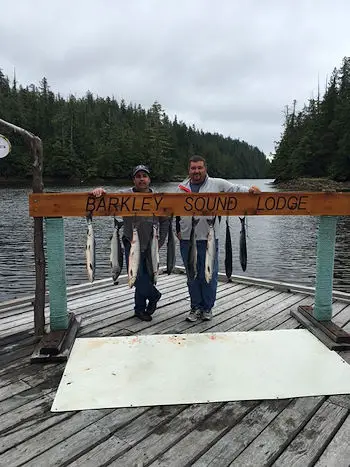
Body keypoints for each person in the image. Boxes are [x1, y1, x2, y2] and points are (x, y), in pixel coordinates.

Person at [176, 155, 261, 322]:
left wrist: (251, 190)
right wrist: (177, 229)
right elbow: (176, 212)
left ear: (205, 168)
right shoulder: (181, 187)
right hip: (187, 239)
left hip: (209, 238)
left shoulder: (217, 184)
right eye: (193, 168)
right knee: (191, 275)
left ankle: (207, 308)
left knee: (209, 274)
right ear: (189, 170)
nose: (196, 171)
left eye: (199, 168)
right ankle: (195, 307)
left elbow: (236, 189)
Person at [92, 165, 169, 322]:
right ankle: (154, 295)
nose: (142, 179)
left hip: (150, 245)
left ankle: (139, 309)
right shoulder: (123, 195)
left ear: (149, 179)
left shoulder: (159, 197)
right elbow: (107, 198)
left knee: (145, 276)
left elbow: (166, 220)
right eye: (138, 176)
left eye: (144, 176)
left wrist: (160, 241)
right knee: (136, 275)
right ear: (134, 179)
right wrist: (100, 191)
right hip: (130, 242)